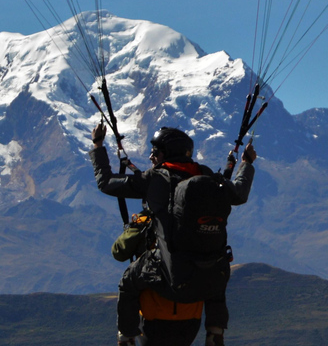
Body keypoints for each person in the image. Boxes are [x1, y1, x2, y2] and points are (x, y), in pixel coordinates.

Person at [90, 123, 256, 346]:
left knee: (128, 280)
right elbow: (240, 193)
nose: (151, 157)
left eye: (155, 151)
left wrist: (98, 145)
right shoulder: (208, 177)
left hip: (170, 271)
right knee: (215, 273)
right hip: (209, 271)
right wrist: (246, 164)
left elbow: (106, 183)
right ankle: (215, 331)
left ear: (166, 153)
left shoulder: (155, 178)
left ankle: (127, 337)